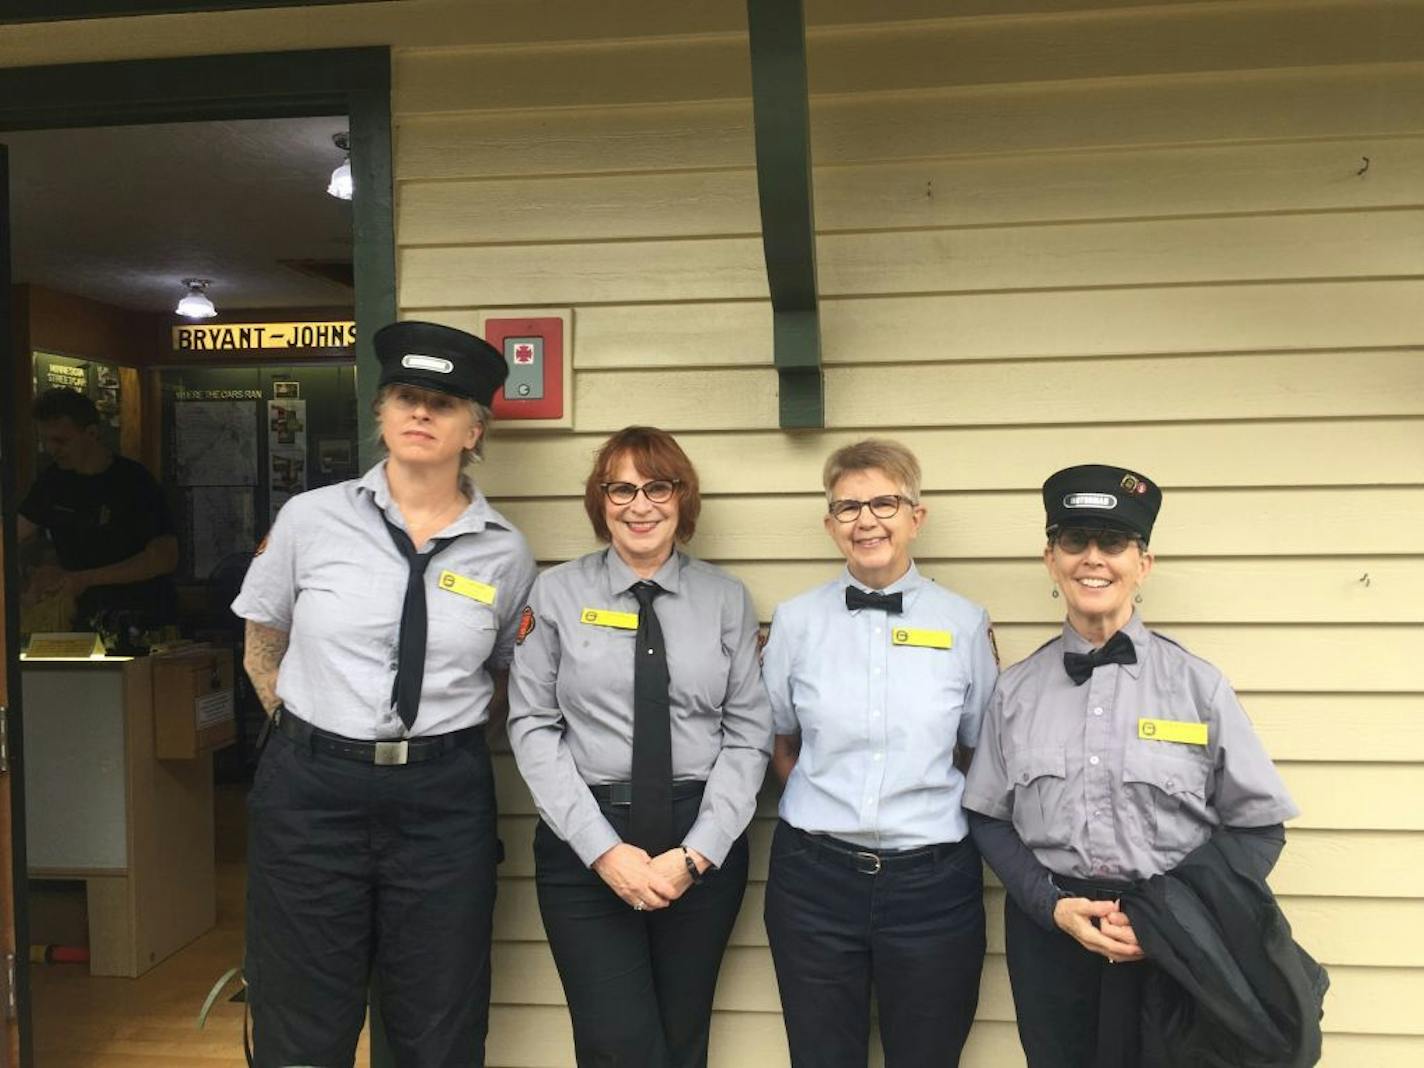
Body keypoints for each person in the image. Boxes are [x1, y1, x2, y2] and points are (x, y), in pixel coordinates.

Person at [231, 321, 536, 1068]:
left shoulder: (505, 550)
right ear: (381, 413)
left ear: (476, 428)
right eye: (405, 395)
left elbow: (503, 674)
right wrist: (316, 733)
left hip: (442, 801)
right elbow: (262, 641)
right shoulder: (311, 519)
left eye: (443, 401)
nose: (421, 413)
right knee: (301, 1011)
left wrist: (428, 746)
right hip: (311, 793)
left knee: (438, 1017)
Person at [962, 463, 1300, 1068]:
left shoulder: (1198, 688)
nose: (1093, 559)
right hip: (1052, 938)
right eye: (1075, 541)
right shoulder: (1015, 693)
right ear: (1051, 560)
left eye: (1113, 543)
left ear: (1142, 565)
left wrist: (1167, 919)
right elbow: (988, 818)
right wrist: (1049, 904)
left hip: (1171, 941)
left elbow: (1258, 827)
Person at [507, 426, 772, 1068]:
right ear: (601, 502)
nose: (640, 504)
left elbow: (748, 733)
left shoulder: (724, 600)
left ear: (683, 498)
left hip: (700, 839)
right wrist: (603, 852)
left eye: (658, 486)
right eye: (620, 488)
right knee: (616, 1044)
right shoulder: (557, 595)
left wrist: (698, 853)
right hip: (587, 838)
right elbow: (532, 724)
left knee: (683, 1039)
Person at [760, 439, 998, 1068]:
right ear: (830, 524)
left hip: (933, 885)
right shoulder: (795, 622)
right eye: (848, 507)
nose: (866, 520)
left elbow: (977, 748)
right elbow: (781, 741)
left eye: (884, 503)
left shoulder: (964, 624)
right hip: (813, 882)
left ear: (916, 516)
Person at [18, 387, 178, 636]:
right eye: (45, 440)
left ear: (91, 433)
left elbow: (163, 557)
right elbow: (15, 532)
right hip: (78, 622)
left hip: (141, 619)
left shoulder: (133, 481)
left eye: (61, 440)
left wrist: (85, 579)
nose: (51, 449)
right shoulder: (52, 482)